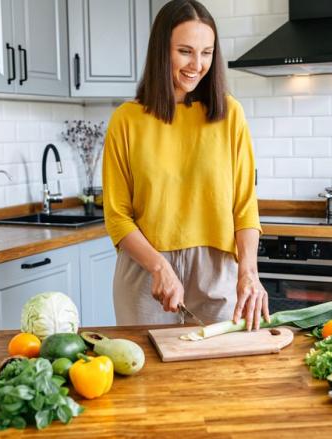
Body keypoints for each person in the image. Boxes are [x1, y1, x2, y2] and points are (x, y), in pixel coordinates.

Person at [103, 0, 269, 331]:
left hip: (217, 273)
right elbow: (117, 218)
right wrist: (159, 267)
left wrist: (249, 271)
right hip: (146, 275)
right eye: (185, 51)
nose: (197, 64)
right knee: (146, 380)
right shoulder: (126, 120)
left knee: (218, 378)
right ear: (161, 51)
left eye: (206, 52)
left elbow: (244, 207)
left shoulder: (229, 115)